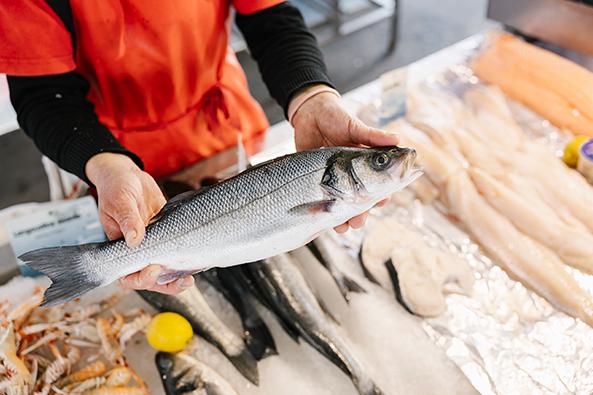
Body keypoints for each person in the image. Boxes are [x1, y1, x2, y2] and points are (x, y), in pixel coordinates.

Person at [1, 0, 398, 295]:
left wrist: (313, 99)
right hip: (100, 145)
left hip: (213, 121)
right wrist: (105, 164)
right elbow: (43, 94)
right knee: (137, 259)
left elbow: (272, 20)